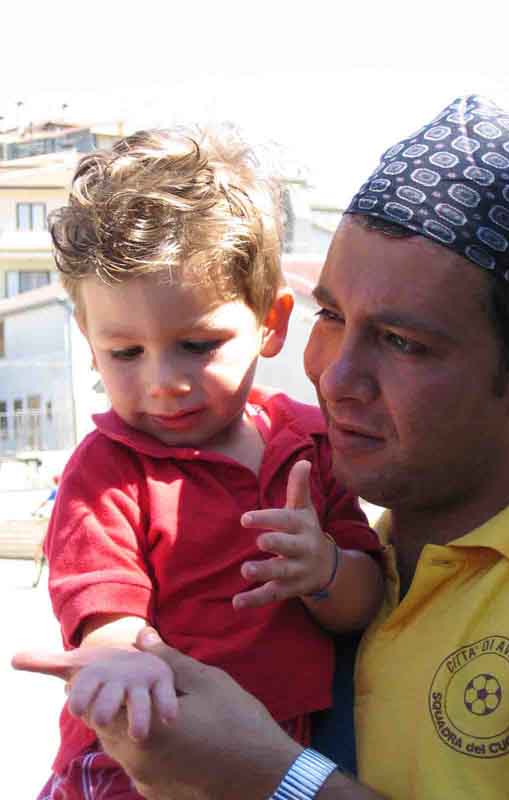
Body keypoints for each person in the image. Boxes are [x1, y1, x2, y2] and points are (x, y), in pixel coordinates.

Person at [14, 94, 509, 799]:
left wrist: (275, 778)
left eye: (401, 341)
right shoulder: (377, 529)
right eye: (332, 315)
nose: (333, 376)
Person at [20, 126, 384, 800]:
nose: (164, 382)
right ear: (90, 343)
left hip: (280, 754)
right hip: (141, 750)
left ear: (271, 322)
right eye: (126, 353)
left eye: (197, 344)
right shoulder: (109, 469)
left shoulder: (308, 448)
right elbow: (105, 608)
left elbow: (363, 603)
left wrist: (324, 568)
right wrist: (121, 660)